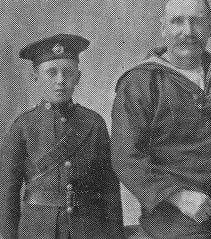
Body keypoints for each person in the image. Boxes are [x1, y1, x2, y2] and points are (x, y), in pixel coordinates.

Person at [110, 0, 211, 238]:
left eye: (196, 21)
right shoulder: (141, 82)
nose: (188, 31)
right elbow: (126, 158)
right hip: (173, 224)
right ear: (163, 28)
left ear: (210, 27)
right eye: (177, 21)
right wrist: (179, 196)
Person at [0, 33, 125, 239]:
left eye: (67, 73)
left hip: (89, 229)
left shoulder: (94, 122)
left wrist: (115, 234)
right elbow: (7, 192)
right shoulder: (23, 126)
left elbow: (110, 188)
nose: (60, 80)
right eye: (51, 72)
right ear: (35, 76)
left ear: (78, 77)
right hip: (37, 230)